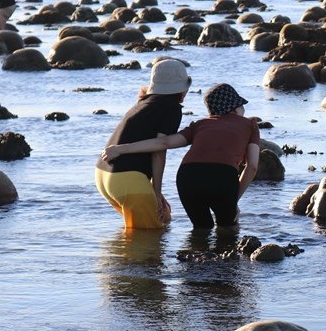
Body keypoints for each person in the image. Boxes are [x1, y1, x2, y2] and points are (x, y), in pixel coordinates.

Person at [102, 83, 260, 230]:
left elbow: (164, 143)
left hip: (188, 177)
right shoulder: (250, 124)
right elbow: (252, 166)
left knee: (201, 229)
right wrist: (233, 200)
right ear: (235, 108)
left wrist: (121, 149)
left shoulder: (199, 124)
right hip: (222, 176)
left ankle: (192, 258)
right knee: (228, 230)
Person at [96, 59, 191, 229]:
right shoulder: (172, 108)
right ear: (182, 88)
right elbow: (160, 149)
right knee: (148, 240)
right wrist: (157, 192)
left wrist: (155, 191)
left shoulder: (143, 104)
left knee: (161, 221)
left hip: (104, 175)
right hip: (128, 179)